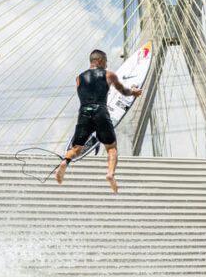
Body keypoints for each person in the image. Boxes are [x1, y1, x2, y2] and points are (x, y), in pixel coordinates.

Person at [55, 49, 142, 193]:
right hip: (100, 111)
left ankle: (65, 162)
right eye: (106, 61)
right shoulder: (109, 75)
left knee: (76, 148)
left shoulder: (78, 78)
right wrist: (134, 92)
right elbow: (123, 91)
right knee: (111, 148)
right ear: (100, 60)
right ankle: (110, 173)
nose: (107, 64)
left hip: (84, 112)